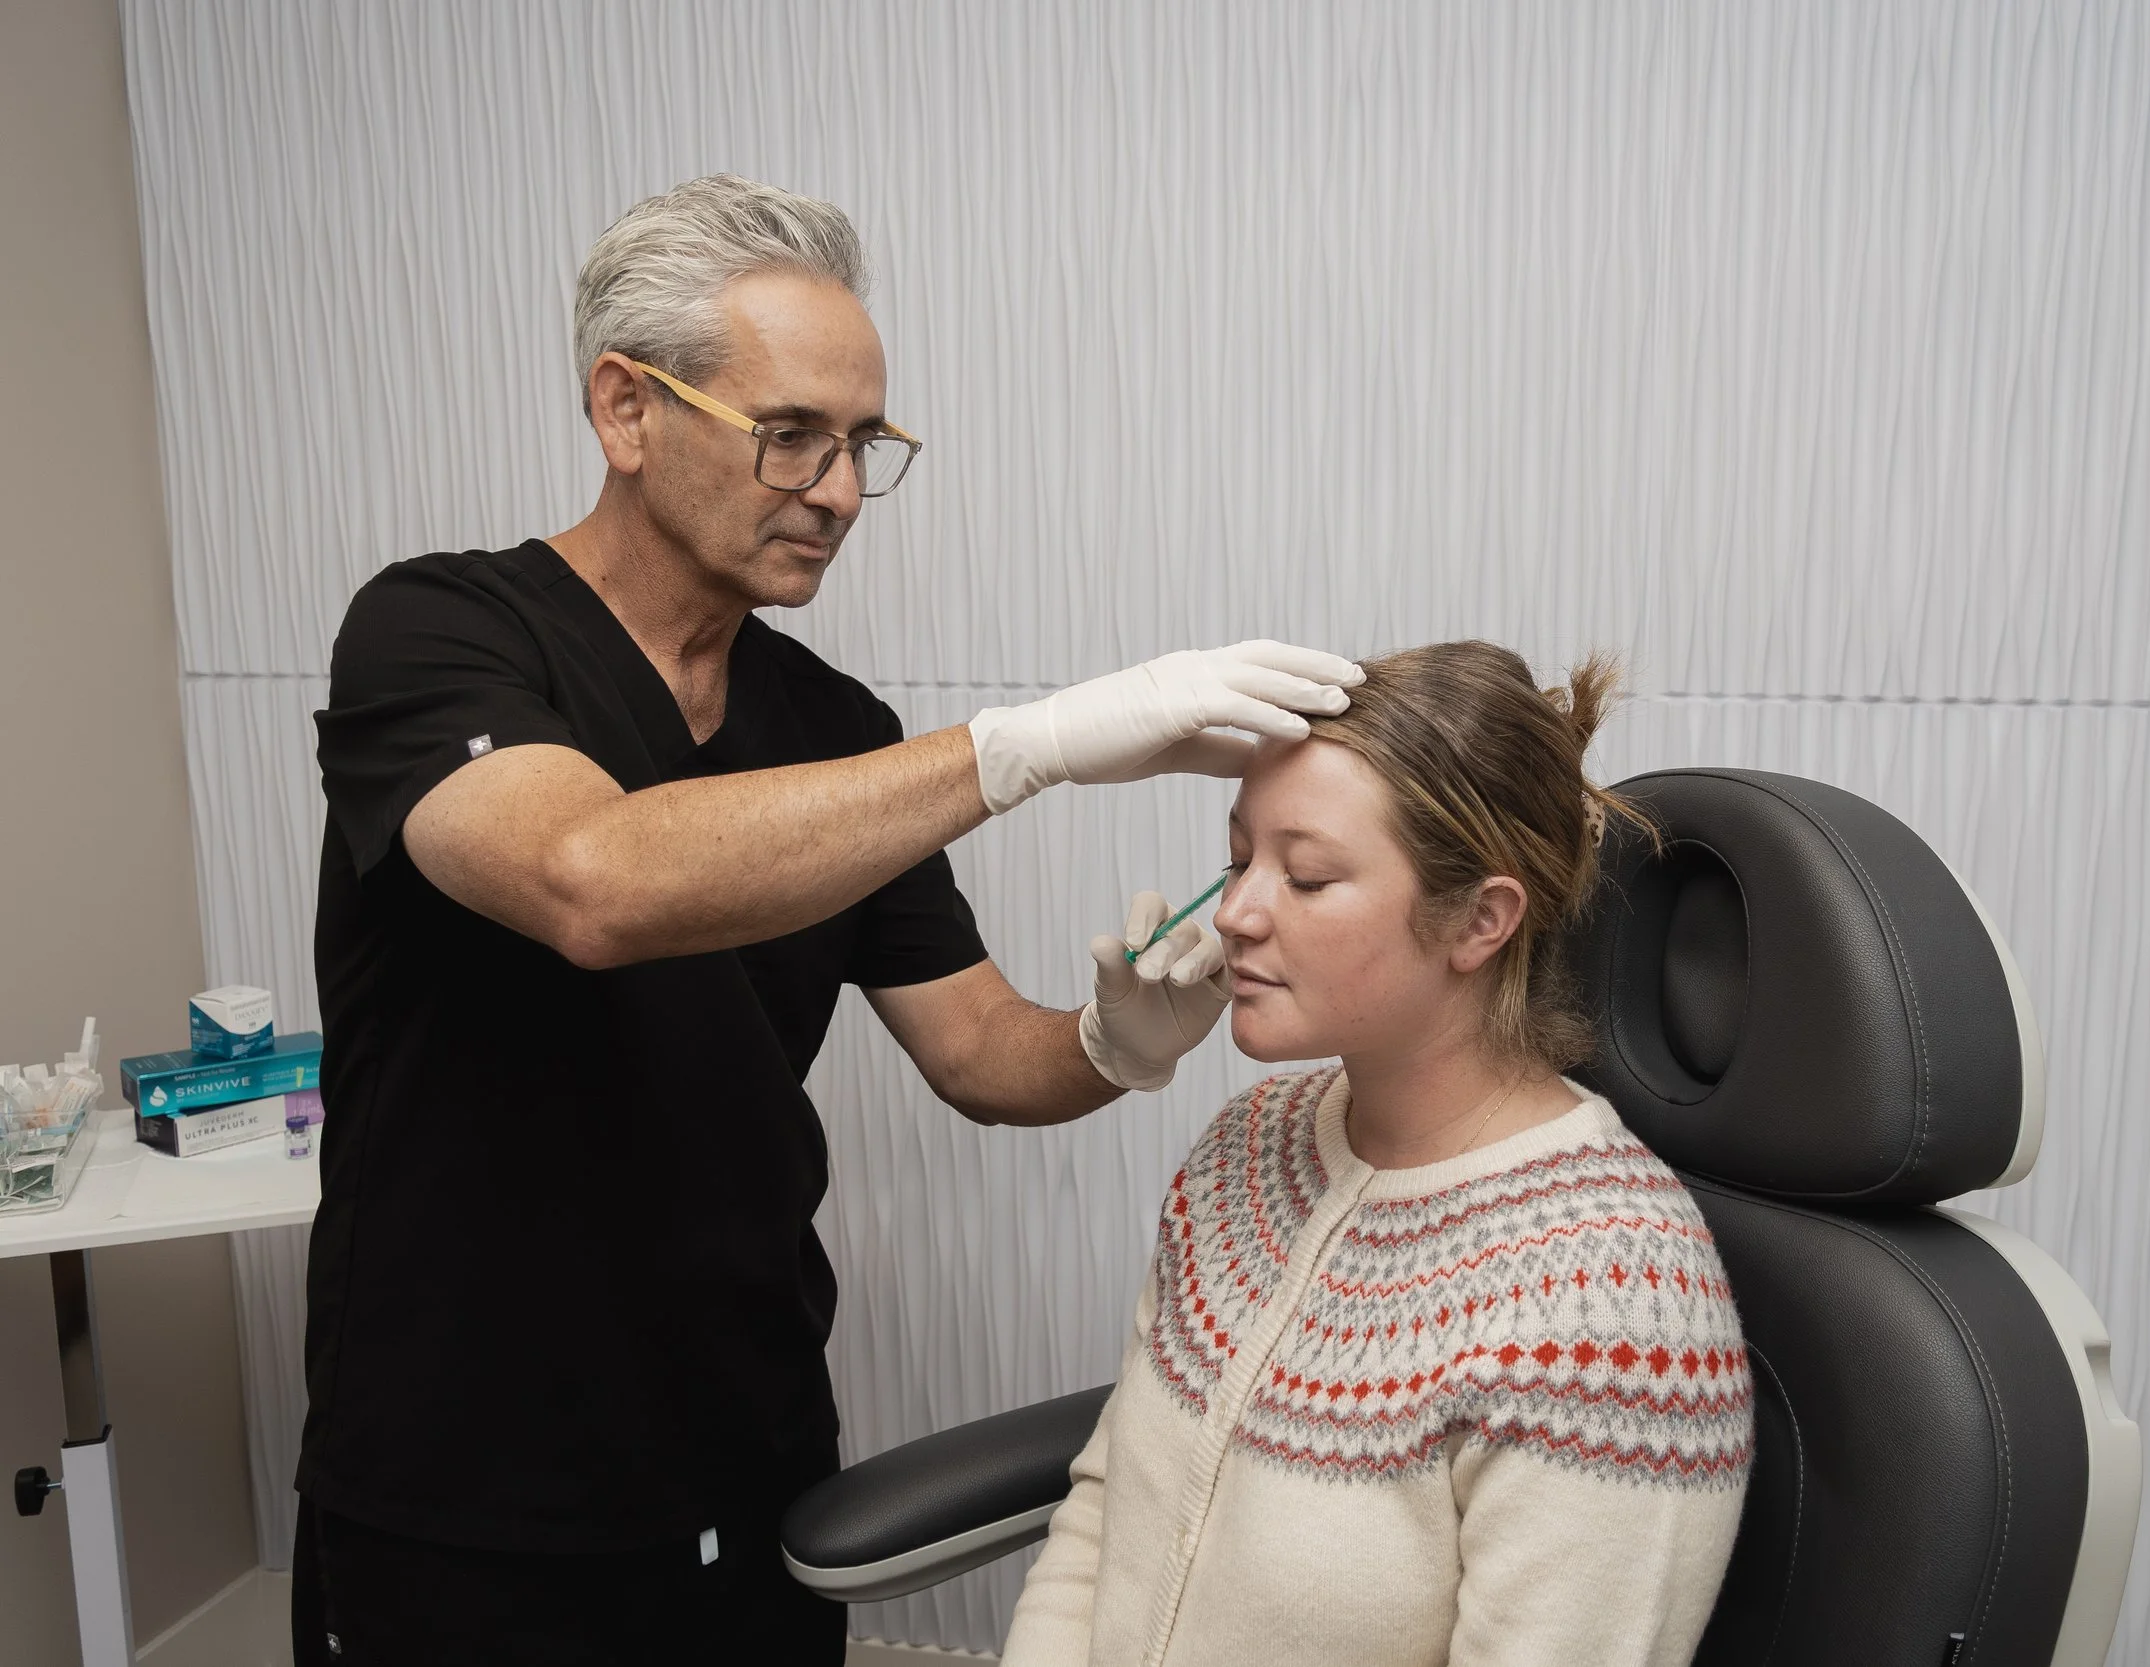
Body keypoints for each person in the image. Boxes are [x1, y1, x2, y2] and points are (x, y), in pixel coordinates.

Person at [292, 175, 1356, 1666]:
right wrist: (1021, 746)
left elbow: (988, 1053)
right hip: (467, 1464)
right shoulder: (442, 630)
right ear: (626, 409)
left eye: (865, 444)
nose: (842, 489)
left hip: (748, 1436)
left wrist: (1120, 1038)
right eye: (790, 433)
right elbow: (589, 878)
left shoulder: (835, 729)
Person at [1001, 642, 1755, 1667]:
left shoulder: (1613, 1301)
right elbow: (1107, 1510)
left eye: (1306, 875)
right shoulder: (1251, 1143)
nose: (1235, 912)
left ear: (1479, 920)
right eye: (1238, 859)